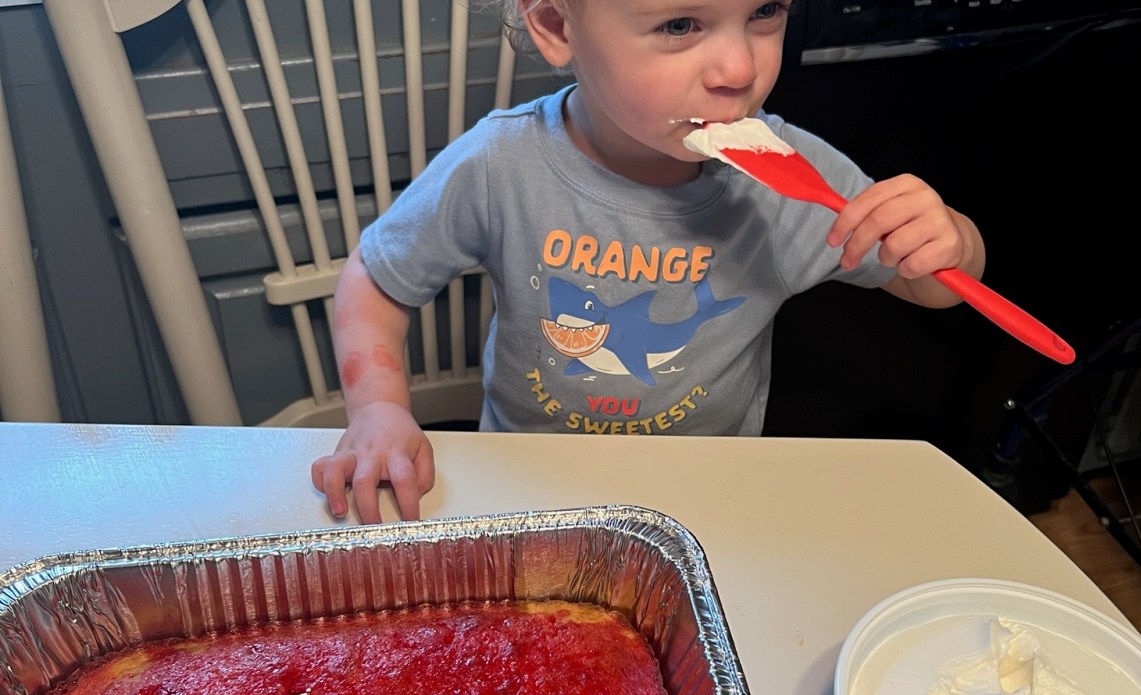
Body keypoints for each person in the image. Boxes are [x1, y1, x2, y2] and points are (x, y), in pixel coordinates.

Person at [311, 0, 985, 523]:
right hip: (528, 484)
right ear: (557, 27)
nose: (739, 70)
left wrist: (949, 242)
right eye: (680, 25)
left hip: (711, 495)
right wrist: (377, 410)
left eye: (765, 12)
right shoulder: (499, 166)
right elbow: (376, 278)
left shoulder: (787, 179)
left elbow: (933, 288)